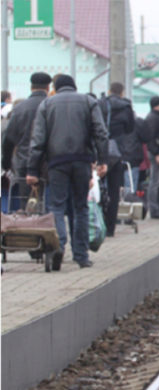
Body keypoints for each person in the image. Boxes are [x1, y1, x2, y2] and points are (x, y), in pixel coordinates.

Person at [26, 74, 108, 269]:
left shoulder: (47, 104)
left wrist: (32, 169)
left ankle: (57, 248)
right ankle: (81, 255)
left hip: (57, 163)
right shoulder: (89, 101)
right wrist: (102, 160)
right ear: (74, 86)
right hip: (82, 161)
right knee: (81, 208)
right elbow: (101, 132)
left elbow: (37, 140)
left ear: (55, 87)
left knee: (56, 207)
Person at [2, 73, 51, 211]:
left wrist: (6, 164)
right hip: (49, 163)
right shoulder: (51, 106)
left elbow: (9, 139)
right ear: (48, 87)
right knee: (48, 204)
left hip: (24, 161)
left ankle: (26, 229)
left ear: (31, 87)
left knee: (25, 203)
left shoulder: (19, 108)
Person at [98, 82, 135, 237]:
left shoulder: (100, 104)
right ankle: (111, 228)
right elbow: (130, 128)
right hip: (118, 152)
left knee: (97, 189)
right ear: (122, 92)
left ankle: (98, 223)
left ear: (109, 90)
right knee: (114, 191)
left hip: (101, 152)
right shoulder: (126, 107)